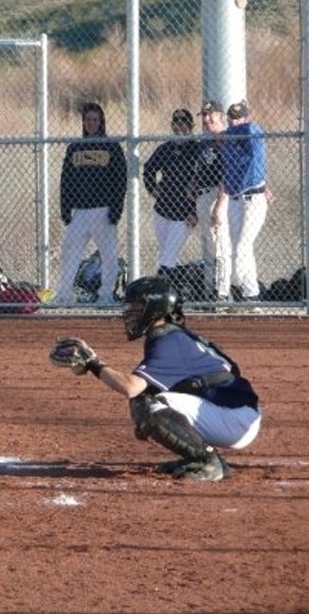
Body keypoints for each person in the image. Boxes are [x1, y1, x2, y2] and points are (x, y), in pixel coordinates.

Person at [51, 275, 261, 481]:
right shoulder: (176, 335)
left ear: (154, 309)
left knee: (145, 403)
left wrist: (93, 364)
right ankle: (202, 456)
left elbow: (131, 387)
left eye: (137, 307)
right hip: (233, 411)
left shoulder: (169, 341)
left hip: (234, 418)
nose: (130, 313)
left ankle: (208, 461)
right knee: (151, 403)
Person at [55, 102, 128, 305]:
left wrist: (116, 209)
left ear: (101, 121)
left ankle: (105, 295)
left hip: (103, 210)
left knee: (108, 255)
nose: (91, 123)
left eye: (95, 120)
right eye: (88, 120)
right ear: (83, 122)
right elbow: (66, 180)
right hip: (80, 211)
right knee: (70, 251)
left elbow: (120, 180)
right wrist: (65, 207)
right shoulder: (75, 147)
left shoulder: (111, 147)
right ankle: (65, 295)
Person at [142, 108, 199, 290]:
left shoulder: (196, 149)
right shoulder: (165, 148)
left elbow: (205, 180)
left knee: (166, 257)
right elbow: (149, 169)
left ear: (191, 126)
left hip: (183, 213)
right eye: (176, 122)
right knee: (169, 255)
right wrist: (153, 188)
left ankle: (159, 291)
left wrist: (195, 211)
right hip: (162, 210)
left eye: (183, 123)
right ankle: (178, 290)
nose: (179, 126)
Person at [220, 99, 269, 304]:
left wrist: (224, 135)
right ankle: (250, 295)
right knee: (238, 248)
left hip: (254, 198)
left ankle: (241, 286)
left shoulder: (252, 132)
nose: (234, 122)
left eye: (238, 118)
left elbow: (251, 130)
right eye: (231, 118)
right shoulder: (229, 140)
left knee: (242, 247)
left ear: (246, 118)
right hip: (234, 199)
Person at [192, 100, 232, 302]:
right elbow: (200, 169)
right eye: (204, 116)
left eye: (210, 115)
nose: (207, 119)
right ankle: (209, 291)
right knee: (208, 246)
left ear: (220, 115)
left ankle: (222, 293)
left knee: (221, 246)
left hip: (218, 194)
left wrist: (220, 203)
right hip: (202, 195)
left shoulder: (226, 138)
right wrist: (193, 184)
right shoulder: (205, 140)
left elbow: (228, 174)